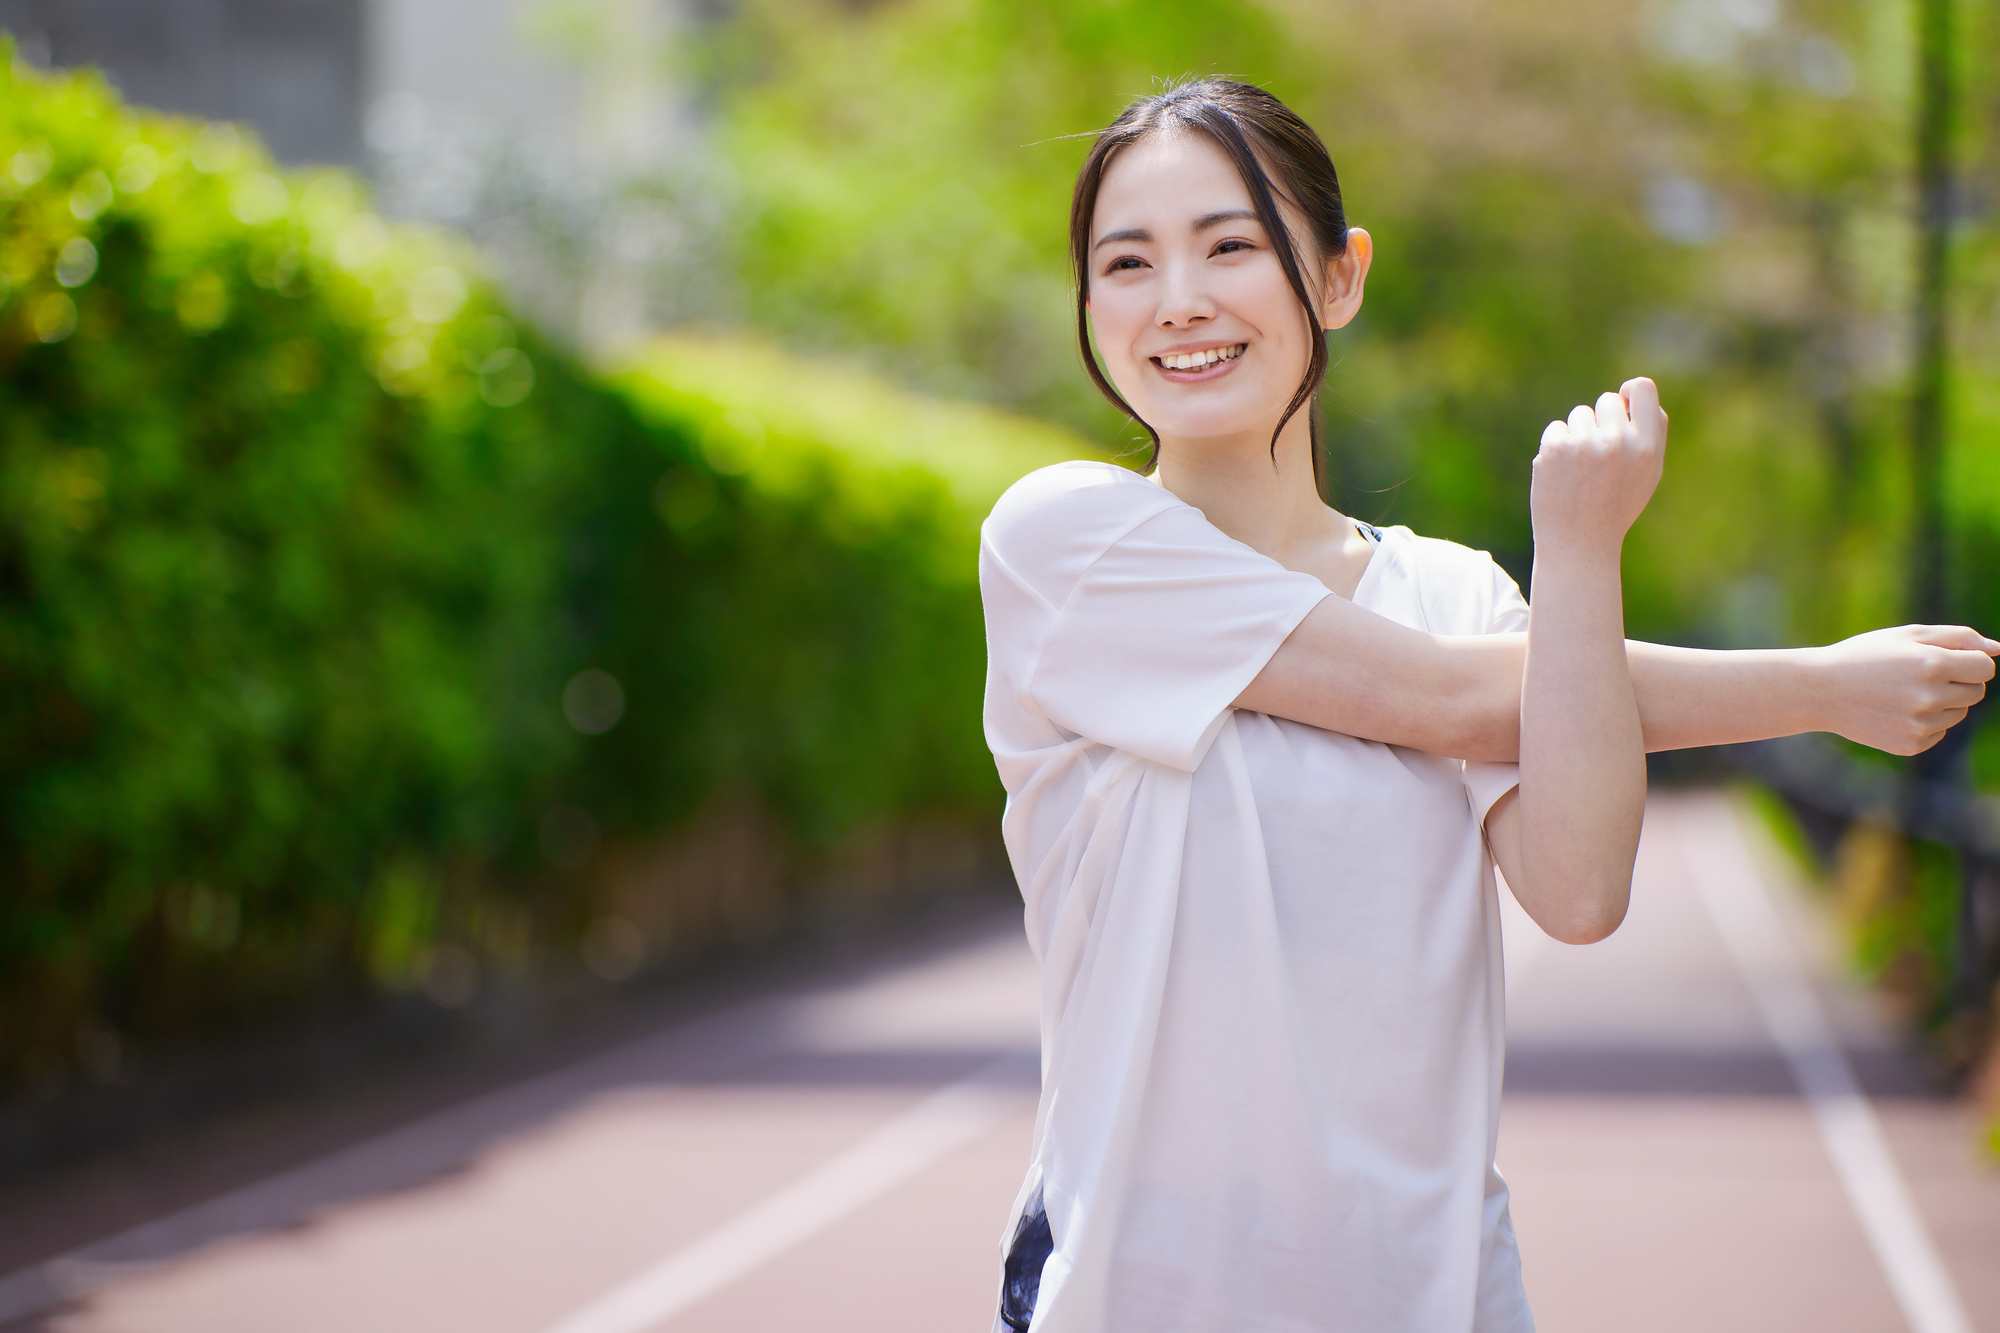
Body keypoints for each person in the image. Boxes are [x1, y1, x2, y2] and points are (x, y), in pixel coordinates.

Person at [978, 78, 1998, 1333]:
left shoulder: (1446, 587)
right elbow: (1453, 697)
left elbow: (1576, 890)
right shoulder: (1067, 542)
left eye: (1229, 245)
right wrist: (1819, 682)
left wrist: (1576, 560)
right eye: (1123, 263)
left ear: (1339, 278)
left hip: (1431, 1298)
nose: (1176, 299)